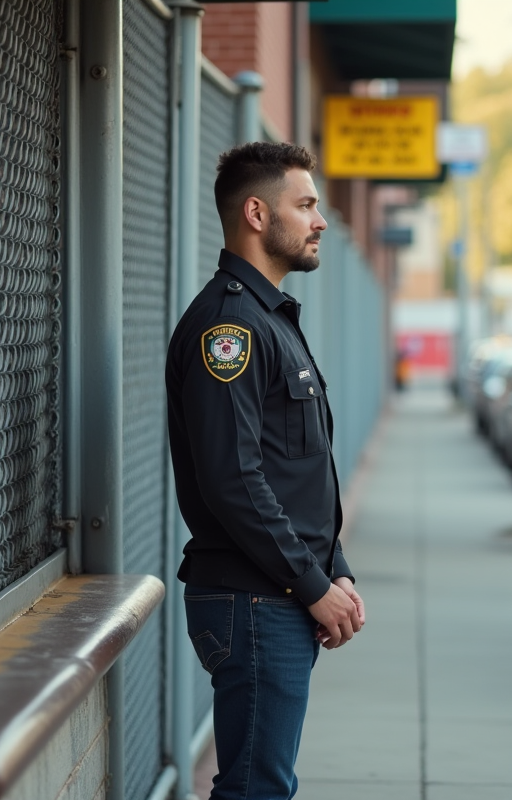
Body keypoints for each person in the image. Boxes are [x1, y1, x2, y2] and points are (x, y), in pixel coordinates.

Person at [165, 141, 365, 800]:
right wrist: (310, 582)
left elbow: (293, 465)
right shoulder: (231, 328)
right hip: (257, 599)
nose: (320, 220)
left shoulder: (268, 317)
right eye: (305, 204)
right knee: (256, 788)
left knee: (262, 783)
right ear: (256, 213)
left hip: (275, 592)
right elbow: (235, 479)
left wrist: (332, 564)